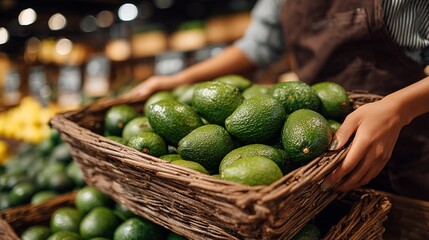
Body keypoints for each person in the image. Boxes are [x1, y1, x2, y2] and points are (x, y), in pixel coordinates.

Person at [130, 0, 429, 201]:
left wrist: (398, 109)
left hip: (407, 149)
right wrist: (176, 81)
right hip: (308, 155)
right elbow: (256, 47)